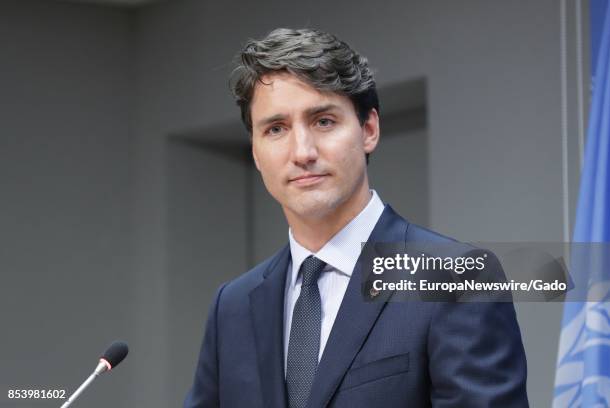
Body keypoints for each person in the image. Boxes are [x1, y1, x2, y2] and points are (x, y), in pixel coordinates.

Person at [184, 28, 528, 408]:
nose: (302, 151)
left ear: (368, 130)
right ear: (256, 152)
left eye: (323, 121)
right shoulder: (232, 306)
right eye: (276, 129)